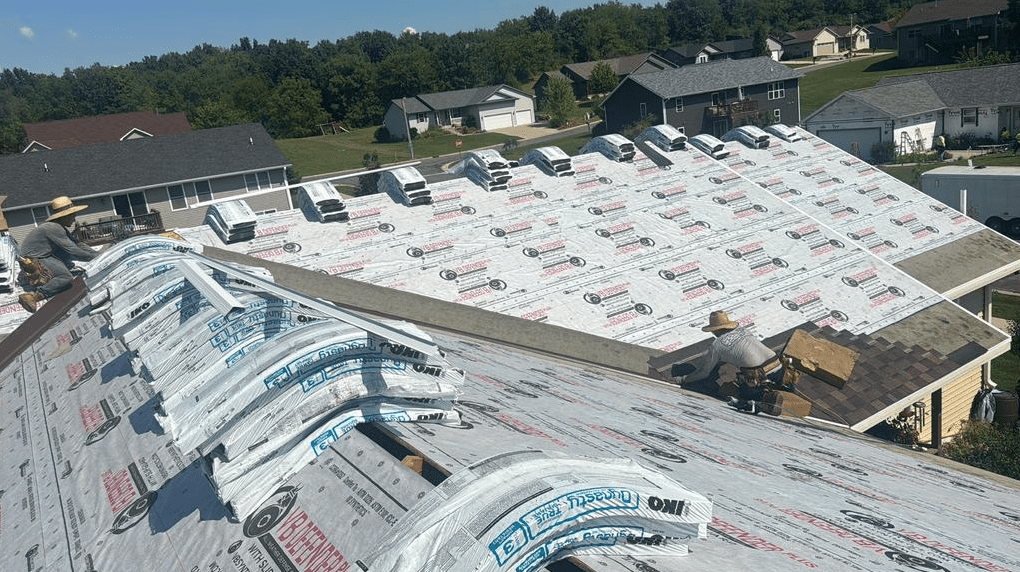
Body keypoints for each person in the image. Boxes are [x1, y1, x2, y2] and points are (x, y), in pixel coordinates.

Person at [683, 310, 786, 413]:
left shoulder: (717, 345)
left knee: (741, 393)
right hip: (778, 366)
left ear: (714, 330)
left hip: (759, 375)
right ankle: (778, 384)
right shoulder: (744, 330)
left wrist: (685, 379)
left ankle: (765, 399)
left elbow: (704, 372)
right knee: (752, 371)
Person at [18, 196, 99, 313]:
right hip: (33, 260)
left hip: (42, 255)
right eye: (72, 215)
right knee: (65, 278)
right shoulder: (53, 228)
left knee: (66, 253)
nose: (74, 218)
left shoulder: (58, 227)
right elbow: (74, 250)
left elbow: (77, 244)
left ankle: (61, 267)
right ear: (64, 216)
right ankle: (34, 296)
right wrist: (98, 258)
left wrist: (99, 254)